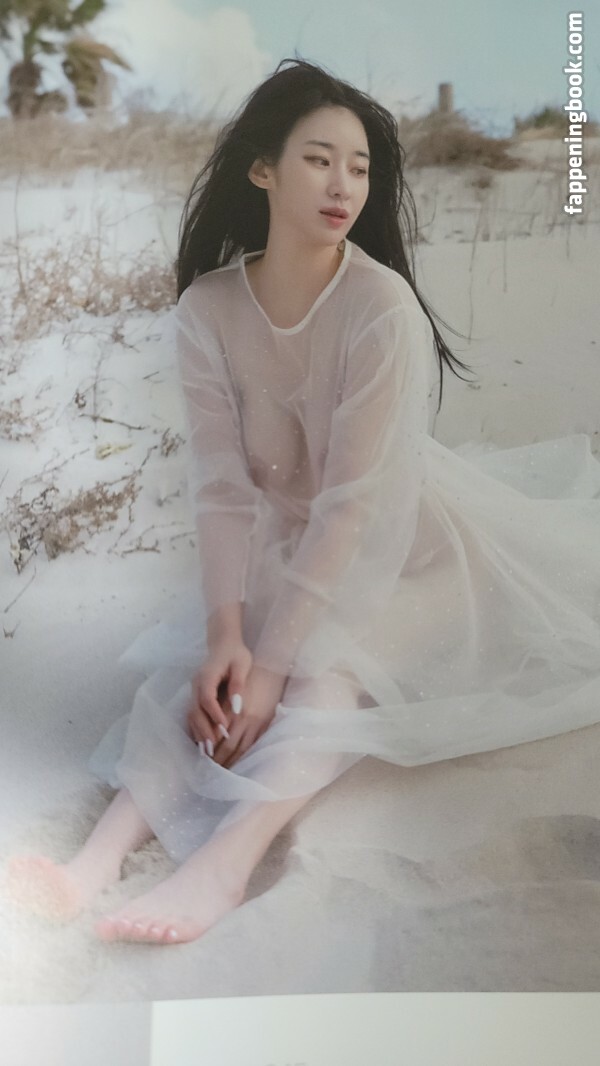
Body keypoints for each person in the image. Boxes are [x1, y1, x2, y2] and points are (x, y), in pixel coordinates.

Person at [7, 56, 600, 947]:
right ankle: (89, 864)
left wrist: (274, 663)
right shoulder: (209, 309)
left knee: (327, 675)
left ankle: (228, 861)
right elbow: (221, 488)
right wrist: (228, 636)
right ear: (263, 169)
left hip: (413, 550)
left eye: (359, 167)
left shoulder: (381, 307)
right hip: (297, 541)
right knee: (201, 683)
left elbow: (357, 507)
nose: (343, 185)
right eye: (319, 160)